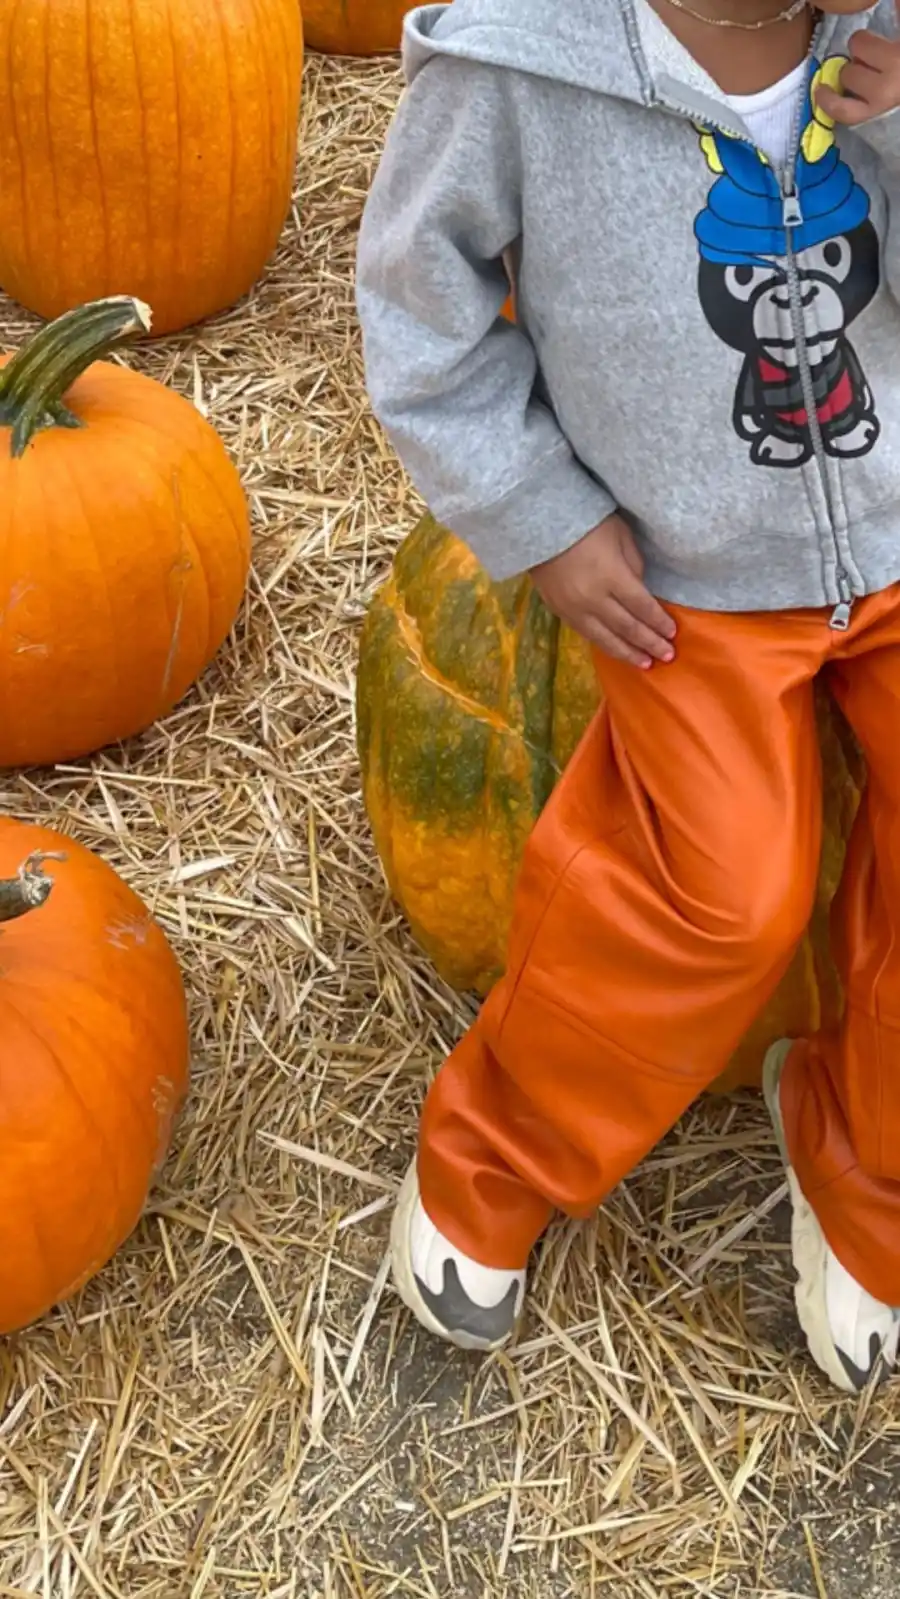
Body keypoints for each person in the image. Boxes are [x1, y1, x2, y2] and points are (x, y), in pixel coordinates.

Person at [356, 0, 900, 1393]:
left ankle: (867, 1172)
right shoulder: (511, 65)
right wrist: (538, 515)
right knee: (723, 892)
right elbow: (421, 314)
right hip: (693, 579)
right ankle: (493, 1156)